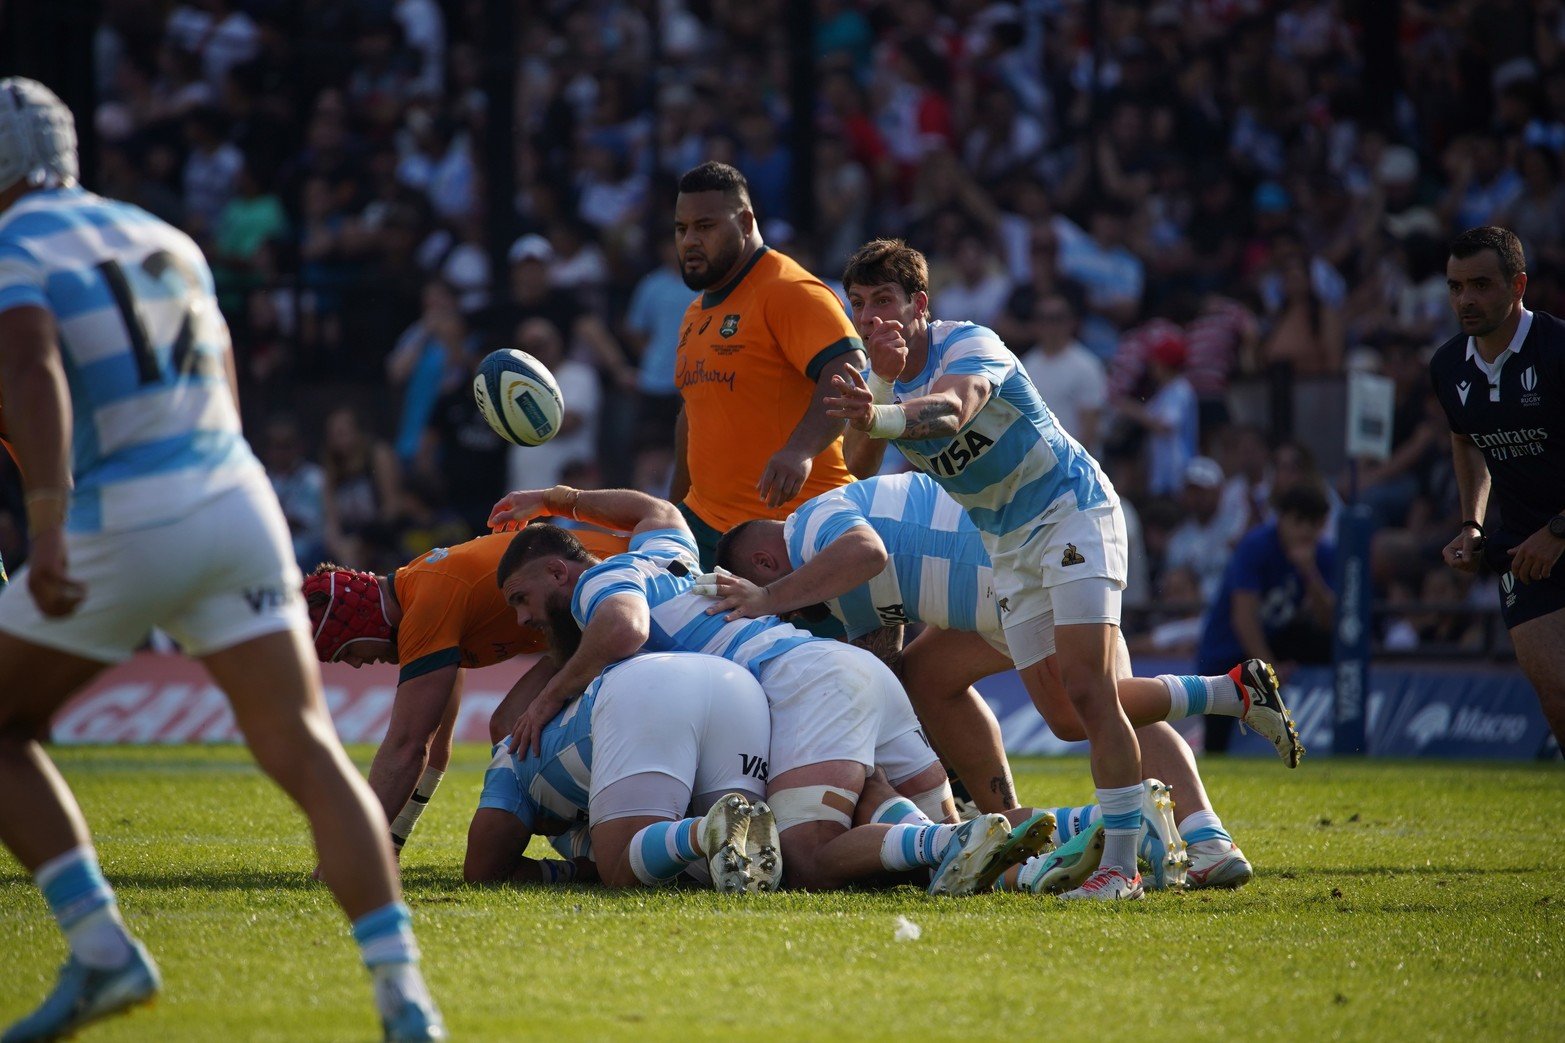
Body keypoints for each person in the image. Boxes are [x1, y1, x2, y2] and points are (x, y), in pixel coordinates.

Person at [0, 79, 443, 1042]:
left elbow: (31, 371)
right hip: (236, 498)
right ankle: (405, 999)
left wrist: (43, 529)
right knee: (303, 747)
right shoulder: (166, 237)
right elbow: (222, 378)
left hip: (129, 510)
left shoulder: (16, 245)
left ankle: (102, 948)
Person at [826, 239, 1296, 900]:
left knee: (1088, 684)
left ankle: (1123, 868)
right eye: (859, 305)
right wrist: (877, 382)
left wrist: (881, 407)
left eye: (883, 301)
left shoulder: (968, 344)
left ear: (919, 305)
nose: (871, 316)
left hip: (1071, 510)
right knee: (1070, 716)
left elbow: (953, 411)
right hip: (1008, 548)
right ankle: (1229, 694)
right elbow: (861, 462)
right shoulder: (885, 375)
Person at [711, 471, 1299, 889]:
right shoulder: (812, 579)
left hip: (1018, 570)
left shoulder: (811, 526)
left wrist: (766, 600)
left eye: (762, 591)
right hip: (999, 585)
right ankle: (1204, 840)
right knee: (928, 676)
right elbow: (883, 658)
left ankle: (1231, 693)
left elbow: (868, 554)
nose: (780, 614)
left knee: (1082, 715)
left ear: (764, 563)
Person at [488, 485, 1042, 896]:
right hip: (854, 671)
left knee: (807, 860)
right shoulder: (661, 556)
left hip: (806, 682)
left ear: (559, 572)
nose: (522, 618)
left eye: (520, 598)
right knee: (945, 861)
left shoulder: (598, 581)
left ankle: (948, 841)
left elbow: (624, 629)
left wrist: (549, 695)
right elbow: (656, 511)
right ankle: (1082, 844)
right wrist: (558, 498)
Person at [303, 526, 627, 855]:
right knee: (508, 727)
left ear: (359, 620)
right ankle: (595, 831)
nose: (357, 666)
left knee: (517, 739)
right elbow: (433, 748)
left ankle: (612, 824)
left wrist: (347, 855)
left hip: (624, 606)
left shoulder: (426, 606)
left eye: (346, 654)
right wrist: (392, 844)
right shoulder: (420, 595)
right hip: (588, 624)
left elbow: (407, 747)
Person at [670, 161, 871, 569]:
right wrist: (672, 514)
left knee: (831, 638)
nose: (690, 240)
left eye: (704, 226)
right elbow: (694, 413)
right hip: (709, 529)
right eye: (681, 229)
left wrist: (799, 449)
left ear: (744, 222)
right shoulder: (695, 312)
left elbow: (849, 364)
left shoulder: (787, 290)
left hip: (794, 535)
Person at [465, 651, 779, 892]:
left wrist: (570, 872)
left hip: (647, 689)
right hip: (734, 682)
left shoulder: (508, 763)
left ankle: (704, 828)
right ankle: (737, 836)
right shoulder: (570, 827)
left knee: (618, 868)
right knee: (719, 865)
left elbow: (481, 871)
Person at [1432, 226, 1565, 744]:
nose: (1466, 299)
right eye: (1456, 286)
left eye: (1481, 284)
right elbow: (1464, 440)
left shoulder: (1558, 350)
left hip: (1554, 532)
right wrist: (1472, 523)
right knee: (1555, 694)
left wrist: (1558, 530)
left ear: (1518, 285)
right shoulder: (1447, 366)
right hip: (1522, 549)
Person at [1197, 485, 1337, 753]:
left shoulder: (1322, 554)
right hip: (1226, 650)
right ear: (1282, 519)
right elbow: (1243, 617)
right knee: (1217, 746)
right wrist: (1268, 670)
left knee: (1327, 643)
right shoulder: (1256, 546)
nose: (1306, 532)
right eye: (1299, 522)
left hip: (1273, 638)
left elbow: (1330, 621)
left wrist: (1309, 572)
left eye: (1315, 524)